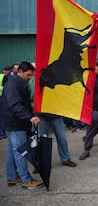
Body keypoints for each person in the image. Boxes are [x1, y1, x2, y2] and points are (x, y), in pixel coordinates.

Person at [1, 61, 44, 189]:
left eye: (32, 75)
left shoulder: (18, 82)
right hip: (15, 123)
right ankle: (26, 180)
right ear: (19, 72)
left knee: (12, 151)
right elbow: (15, 105)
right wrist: (30, 117)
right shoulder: (14, 84)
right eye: (28, 75)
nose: (30, 77)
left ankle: (12, 177)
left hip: (13, 122)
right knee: (20, 151)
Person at [0, 66, 12, 139]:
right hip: (4, 99)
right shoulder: (7, 77)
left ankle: (2, 133)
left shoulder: (3, 77)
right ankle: (2, 133)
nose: (5, 72)